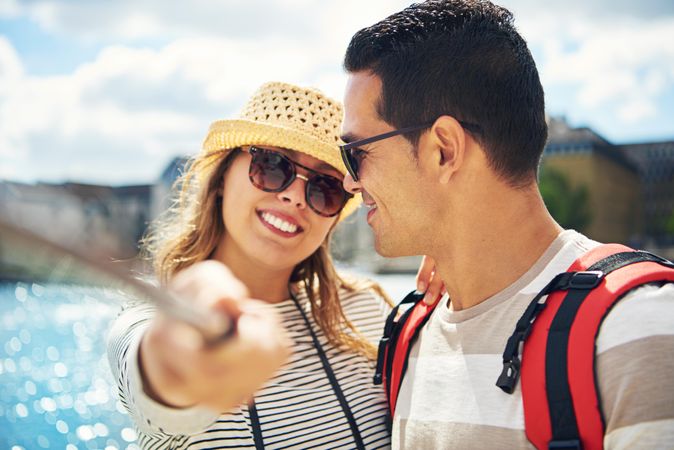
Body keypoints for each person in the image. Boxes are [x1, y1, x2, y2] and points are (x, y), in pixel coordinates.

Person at [339, 0, 674, 448]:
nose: (348, 180)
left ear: (443, 149)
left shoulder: (640, 331)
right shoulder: (409, 334)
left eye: (356, 153)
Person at [107, 81, 393, 449]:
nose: (293, 196)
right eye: (272, 165)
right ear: (224, 175)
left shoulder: (368, 308)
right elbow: (160, 383)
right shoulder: (151, 319)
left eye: (326, 186)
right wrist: (180, 358)